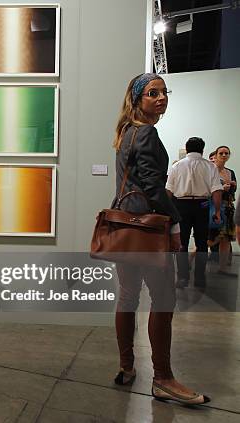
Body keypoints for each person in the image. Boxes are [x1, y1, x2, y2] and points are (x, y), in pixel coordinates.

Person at [111, 73, 209, 405]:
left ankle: (126, 367)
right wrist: (177, 224)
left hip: (125, 228)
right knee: (163, 299)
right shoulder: (147, 132)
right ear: (137, 98)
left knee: (127, 298)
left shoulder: (125, 133)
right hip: (149, 230)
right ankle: (163, 379)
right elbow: (154, 188)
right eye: (152, 93)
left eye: (164, 92)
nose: (160, 97)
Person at [166, 137, 223, 288]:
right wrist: (217, 211)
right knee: (202, 243)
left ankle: (183, 278)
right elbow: (217, 191)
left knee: (182, 243)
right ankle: (200, 278)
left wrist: (167, 211)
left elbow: (168, 192)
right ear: (202, 150)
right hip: (202, 205)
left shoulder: (176, 166)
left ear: (186, 148)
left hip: (181, 206)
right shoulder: (210, 167)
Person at [208, 146, 236, 275]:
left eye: (226, 153)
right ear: (216, 155)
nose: (224, 155)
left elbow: (233, 191)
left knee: (226, 239)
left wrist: (232, 187)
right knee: (211, 239)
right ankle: (190, 261)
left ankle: (223, 268)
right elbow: (207, 190)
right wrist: (221, 188)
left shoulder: (230, 172)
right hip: (215, 207)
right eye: (221, 153)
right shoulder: (210, 171)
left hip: (228, 207)